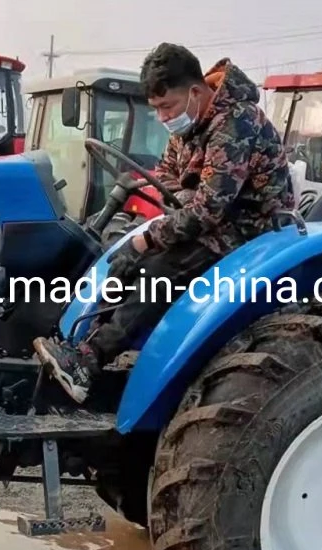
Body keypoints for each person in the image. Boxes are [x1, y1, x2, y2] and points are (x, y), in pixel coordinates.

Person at [33, 42, 294, 403]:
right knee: (121, 258)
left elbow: (208, 211)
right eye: (155, 109)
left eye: (166, 106)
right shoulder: (188, 125)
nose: (163, 117)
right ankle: (81, 346)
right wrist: (180, 204)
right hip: (213, 222)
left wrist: (153, 236)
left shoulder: (236, 123)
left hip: (251, 230)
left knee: (155, 271)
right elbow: (167, 173)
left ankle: (90, 362)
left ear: (196, 91)